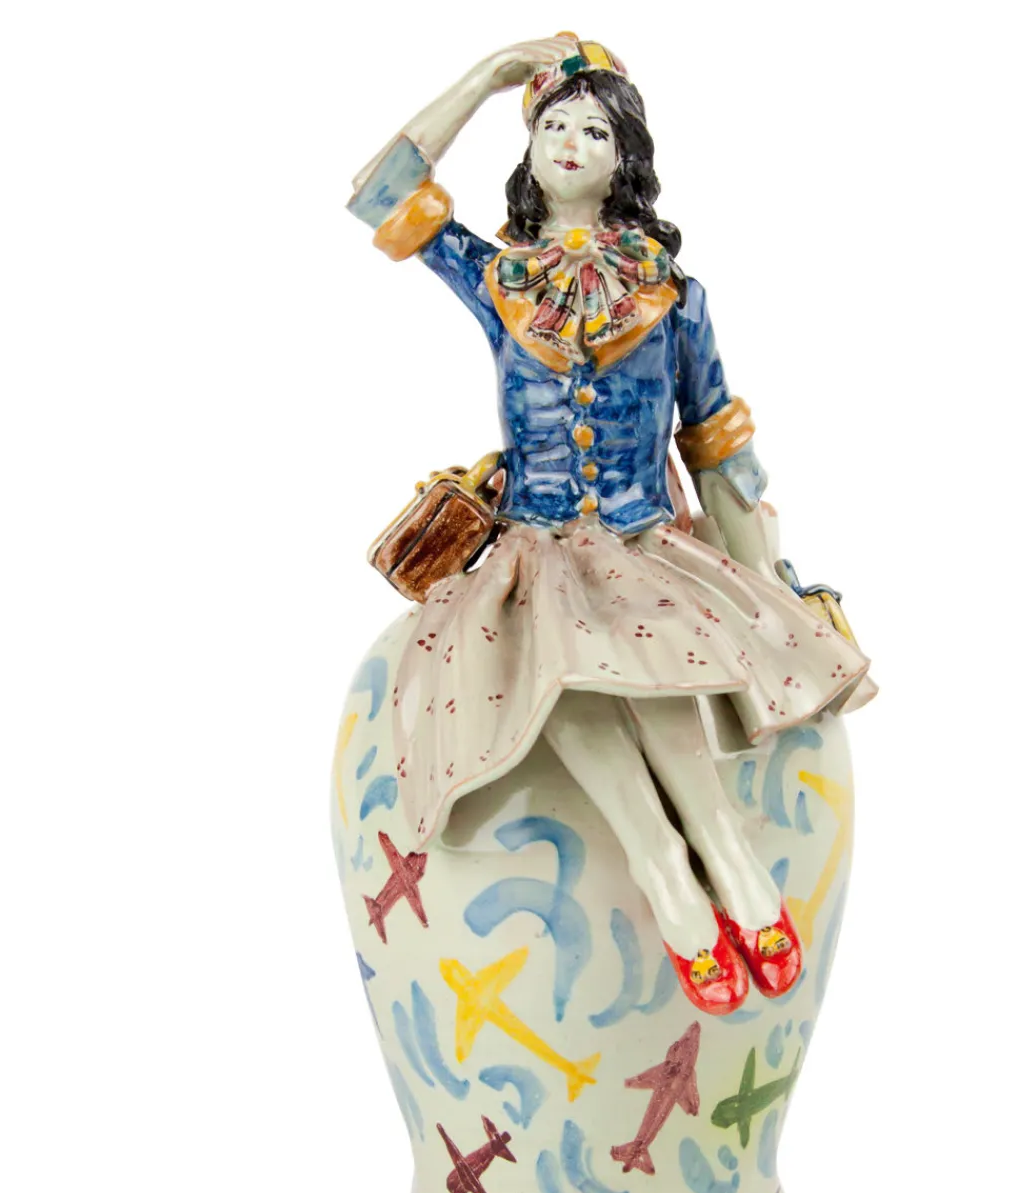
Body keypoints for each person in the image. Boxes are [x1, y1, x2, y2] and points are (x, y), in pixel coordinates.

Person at [348, 35, 874, 1016]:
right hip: (533, 549)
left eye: (595, 129)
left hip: (643, 545)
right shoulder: (500, 280)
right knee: (558, 654)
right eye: (553, 123)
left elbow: (715, 443)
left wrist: (768, 582)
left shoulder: (672, 296)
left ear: (625, 157)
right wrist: (489, 76)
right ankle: (662, 868)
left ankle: (724, 847)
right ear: (528, 149)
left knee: (651, 649)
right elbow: (382, 195)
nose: (571, 141)